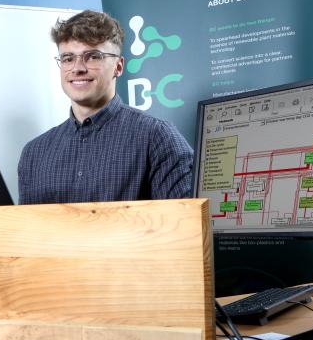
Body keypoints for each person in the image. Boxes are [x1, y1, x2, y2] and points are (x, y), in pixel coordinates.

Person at [18, 10, 193, 205]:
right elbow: (29, 230)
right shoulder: (34, 153)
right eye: (68, 58)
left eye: (92, 56)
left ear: (118, 66)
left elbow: (185, 225)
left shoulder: (157, 138)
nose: (77, 68)